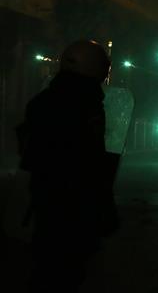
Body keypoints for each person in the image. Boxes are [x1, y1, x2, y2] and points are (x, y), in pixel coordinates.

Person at [17, 40, 114, 292]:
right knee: (69, 264)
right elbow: (91, 157)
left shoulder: (43, 100)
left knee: (45, 257)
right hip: (75, 196)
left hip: (45, 190)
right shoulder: (87, 105)